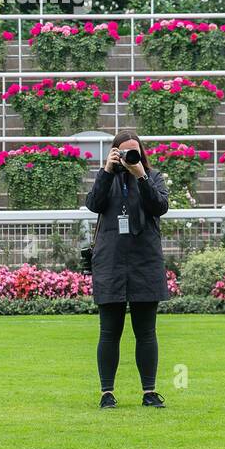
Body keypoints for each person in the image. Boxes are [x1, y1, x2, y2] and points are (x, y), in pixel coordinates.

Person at [84, 129, 171, 409]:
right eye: (124, 153)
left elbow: (159, 206)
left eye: (135, 152)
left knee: (146, 332)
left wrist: (140, 175)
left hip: (145, 262)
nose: (130, 157)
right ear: (114, 153)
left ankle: (149, 391)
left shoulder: (153, 177)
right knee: (109, 332)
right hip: (111, 263)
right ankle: (106, 393)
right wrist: (107, 170)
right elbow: (93, 203)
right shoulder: (107, 177)